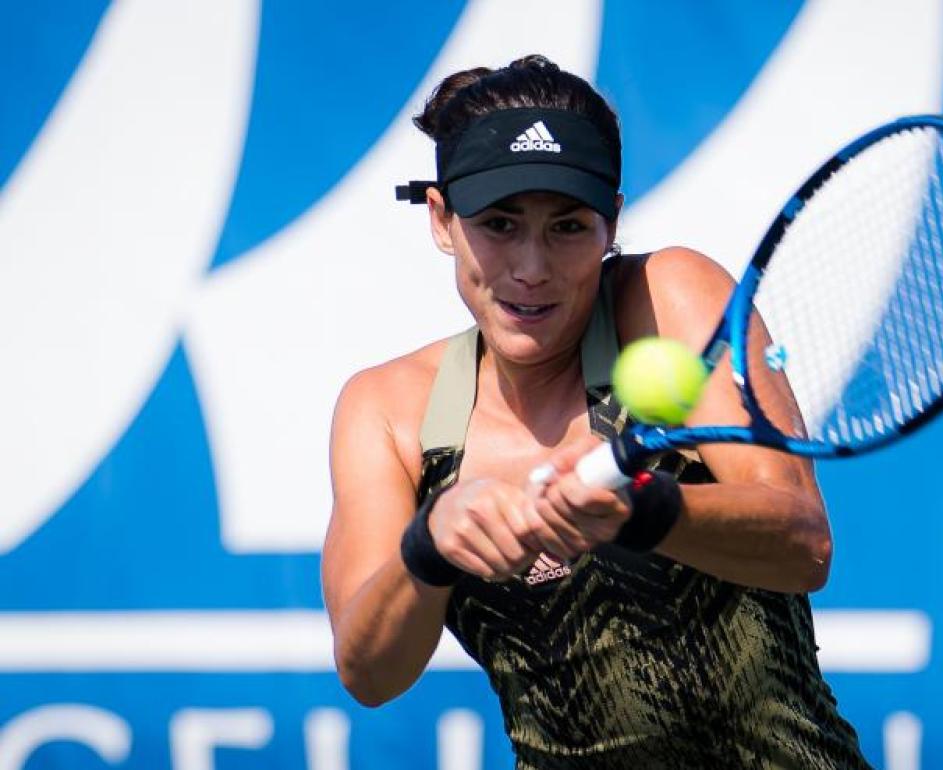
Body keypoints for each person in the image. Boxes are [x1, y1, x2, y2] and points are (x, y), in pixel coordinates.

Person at [321, 54, 870, 769]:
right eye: (499, 223)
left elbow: (804, 544)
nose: (532, 268)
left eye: (568, 227)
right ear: (441, 218)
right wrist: (429, 546)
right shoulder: (387, 411)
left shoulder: (671, 295)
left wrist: (645, 512)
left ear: (613, 221)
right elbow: (368, 673)